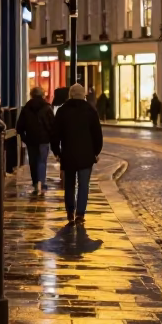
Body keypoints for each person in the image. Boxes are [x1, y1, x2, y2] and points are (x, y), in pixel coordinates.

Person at [51, 82, 103, 224]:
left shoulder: (62, 111)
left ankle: (70, 212)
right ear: (83, 95)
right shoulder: (90, 111)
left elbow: (55, 134)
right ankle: (80, 213)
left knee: (69, 184)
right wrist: (95, 152)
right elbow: (97, 135)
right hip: (86, 155)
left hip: (68, 154)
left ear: (71, 95)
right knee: (83, 184)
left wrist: (57, 151)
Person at [16, 86, 56, 196]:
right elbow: (52, 126)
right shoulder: (47, 108)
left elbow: (19, 127)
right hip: (43, 140)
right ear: (43, 95)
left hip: (31, 140)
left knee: (33, 162)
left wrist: (25, 139)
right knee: (42, 161)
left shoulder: (26, 108)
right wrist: (51, 138)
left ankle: (35, 183)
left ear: (31, 95)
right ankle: (41, 183)